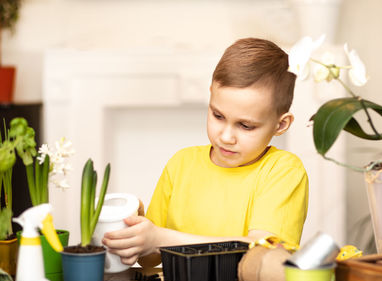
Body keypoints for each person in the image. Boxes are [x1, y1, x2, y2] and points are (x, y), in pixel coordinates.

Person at [102, 37, 309, 267]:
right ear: (211, 95)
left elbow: (262, 254)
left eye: (246, 125)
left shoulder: (283, 170)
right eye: (218, 116)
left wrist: (160, 239)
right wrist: (138, 234)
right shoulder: (181, 164)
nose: (226, 136)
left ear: (280, 125)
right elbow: (150, 259)